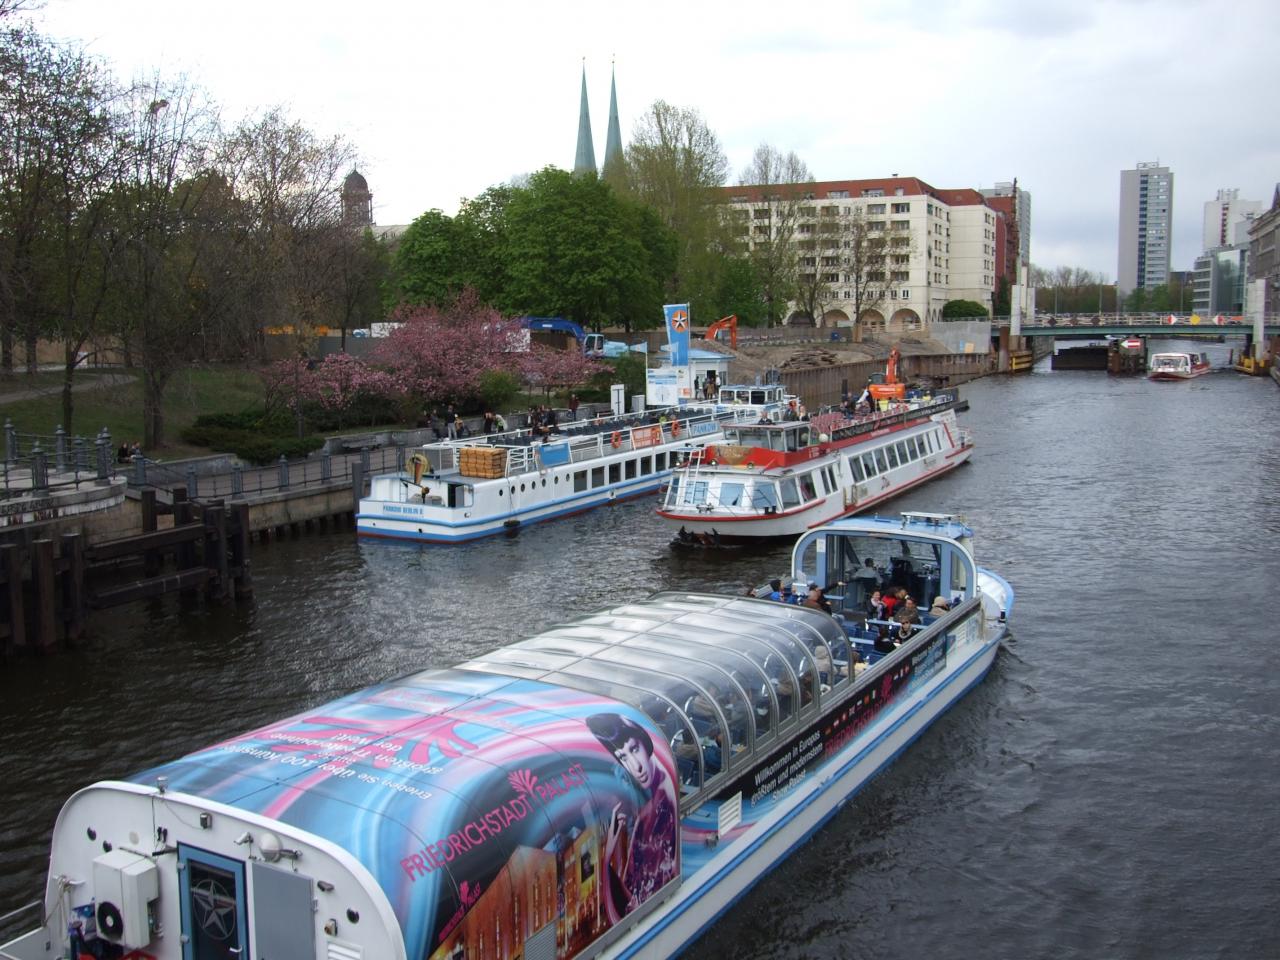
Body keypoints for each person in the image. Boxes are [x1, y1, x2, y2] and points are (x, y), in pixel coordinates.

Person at [586, 713, 678, 925]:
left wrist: (606, 859)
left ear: (645, 742)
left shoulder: (659, 807)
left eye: (634, 749)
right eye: (623, 757)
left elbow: (630, 909)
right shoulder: (648, 811)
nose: (636, 766)